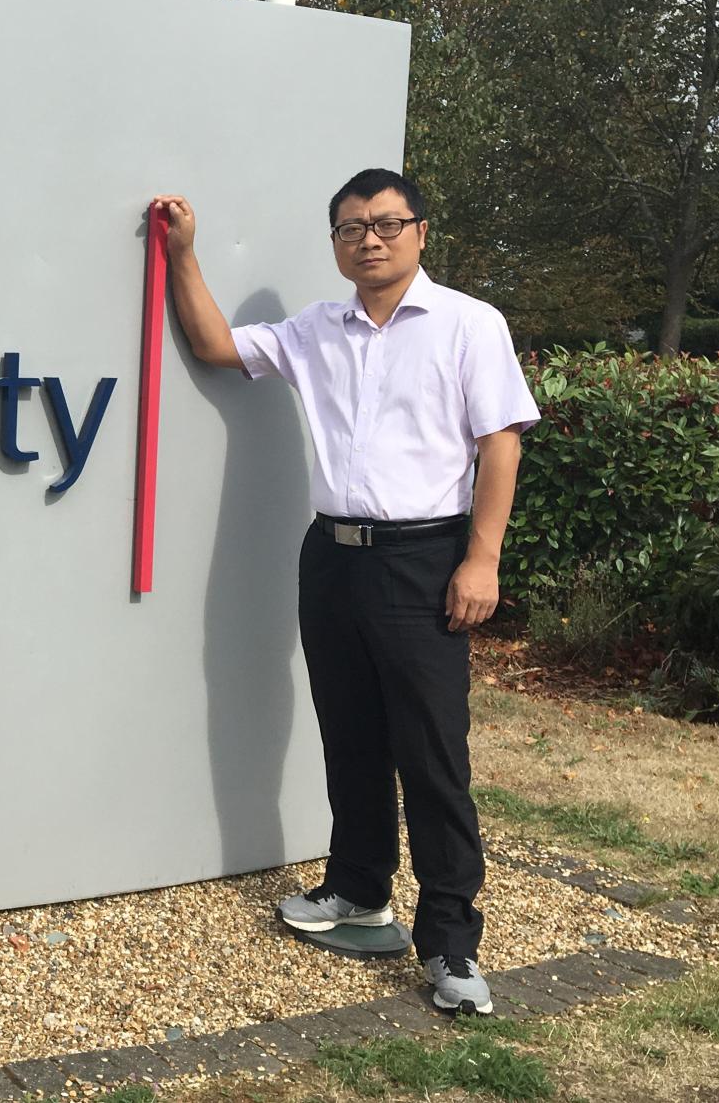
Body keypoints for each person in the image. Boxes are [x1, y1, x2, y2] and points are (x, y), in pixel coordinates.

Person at [154, 170, 539, 1016]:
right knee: (351, 735)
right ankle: (359, 887)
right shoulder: (314, 330)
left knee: (432, 755)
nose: (370, 239)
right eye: (352, 227)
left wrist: (482, 559)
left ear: (421, 232)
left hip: (424, 559)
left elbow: (501, 443)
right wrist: (183, 253)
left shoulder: (469, 323)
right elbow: (216, 346)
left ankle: (450, 943)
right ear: (335, 243)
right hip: (331, 555)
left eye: (388, 223)